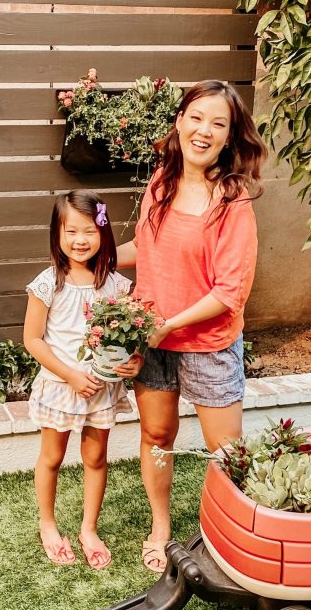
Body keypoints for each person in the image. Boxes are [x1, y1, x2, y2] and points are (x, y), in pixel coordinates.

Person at [116, 80, 266, 573]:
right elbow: (146, 251)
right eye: (196, 118)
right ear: (179, 121)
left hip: (207, 343)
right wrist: (92, 260)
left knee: (226, 453)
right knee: (157, 436)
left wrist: (169, 324)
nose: (204, 131)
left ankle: (224, 534)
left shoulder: (232, 203)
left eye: (217, 124)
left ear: (229, 138)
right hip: (154, 340)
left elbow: (230, 291)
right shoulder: (160, 182)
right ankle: (161, 527)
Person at [23, 190, 141, 569]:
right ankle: (48, 524)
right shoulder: (48, 283)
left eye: (89, 230)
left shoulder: (116, 286)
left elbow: (129, 340)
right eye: (70, 231)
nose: (79, 240)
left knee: (95, 457)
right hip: (61, 387)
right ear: (56, 235)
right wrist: (71, 374)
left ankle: (88, 528)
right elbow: (32, 339)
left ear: (103, 232)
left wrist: (134, 361)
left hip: (100, 391)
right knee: (52, 457)